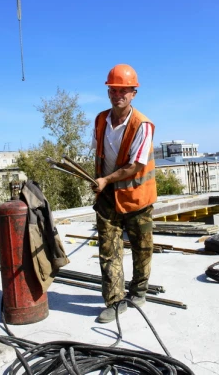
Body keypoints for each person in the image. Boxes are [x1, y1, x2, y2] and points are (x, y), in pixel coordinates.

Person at [91, 64, 157, 323]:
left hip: (137, 196)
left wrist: (106, 179)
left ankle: (139, 291)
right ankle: (115, 301)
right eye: (113, 89)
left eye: (124, 90)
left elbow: (136, 165)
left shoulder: (143, 125)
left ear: (134, 93)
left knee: (142, 248)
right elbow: (98, 153)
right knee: (109, 250)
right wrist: (98, 181)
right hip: (107, 195)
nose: (118, 94)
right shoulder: (100, 120)